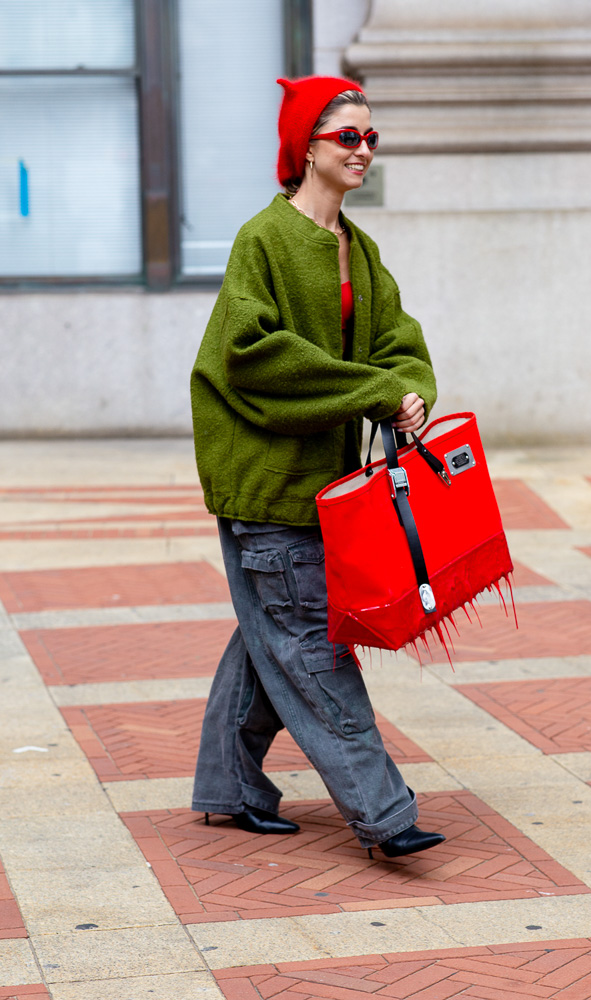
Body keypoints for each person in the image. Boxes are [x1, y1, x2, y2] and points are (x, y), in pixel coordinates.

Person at [190, 75, 443, 859]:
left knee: (272, 637)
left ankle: (228, 790)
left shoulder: (356, 249)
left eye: (371, 137)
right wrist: (373, 390)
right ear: (306, 147)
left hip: (324, 488)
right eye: (348, 137)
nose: (363, 150)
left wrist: (408, 392)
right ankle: (384, 814)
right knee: (308, 645)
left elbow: (398, 342)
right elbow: (252, 355)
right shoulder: (263, 240)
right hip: (270, 485)